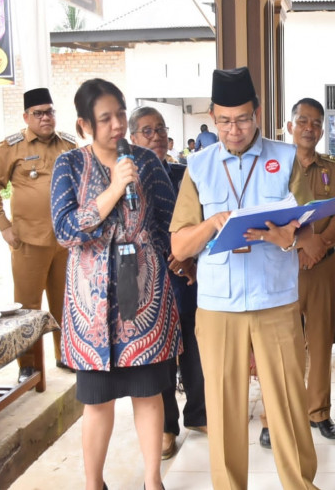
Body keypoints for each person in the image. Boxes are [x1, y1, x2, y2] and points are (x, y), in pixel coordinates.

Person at [169, 67, 318, 489]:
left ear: (258, 112)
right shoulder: (197, 166)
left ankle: (300, 484)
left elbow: (307, 231)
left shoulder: (285, 158)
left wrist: (286, 236)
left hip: (276, 301)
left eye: (243, 119)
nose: (234, 131)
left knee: (288, 404)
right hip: (218, 308)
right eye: (224, 121)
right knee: (224, 407)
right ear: (212, 117)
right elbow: (180, 247)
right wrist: (212, 224)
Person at [50, 79, 182, 490]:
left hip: (145, 299)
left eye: (121, 114)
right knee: (97, 400)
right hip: (92, 309)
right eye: (105, 118)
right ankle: (94, 483)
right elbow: (66, 231)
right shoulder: (69, 165)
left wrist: (170, 260)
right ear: (84, 123)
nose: (117, 125)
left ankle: (152, 480)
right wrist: (111, 190)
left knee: (149, 393)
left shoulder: (146, 161)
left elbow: (167, 221)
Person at [259, 97, 335, 448]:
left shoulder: (332, 167)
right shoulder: (274, 165)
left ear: (322, 129)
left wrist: (321, 244)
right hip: (284, 267)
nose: (310, 128)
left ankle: (319, 413)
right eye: (303, 121)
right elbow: (267, 216)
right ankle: (272, 418)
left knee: (321, 342)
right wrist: (300, 247)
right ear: (290, 125)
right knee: (281, 345)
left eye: (316, 123)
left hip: (322, 266)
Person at [128, 106, 206, 460]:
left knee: (193, 346)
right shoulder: (127, 179)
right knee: (159, 358)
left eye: (161, 129)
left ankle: (199, 414)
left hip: (187, 277)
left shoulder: (186, 173)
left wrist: (187, 256)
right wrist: (169, 255)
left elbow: (199, 220)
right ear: (132, 139)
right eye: (147, 131)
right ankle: (165, 428)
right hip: (150, 279)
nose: (156, 135)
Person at [0, 87, 76, 383]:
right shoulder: (11, 147)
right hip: (28, 241)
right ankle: (28, 367)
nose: (46, 118)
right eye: (39, 113)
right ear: (26, 116)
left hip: (64, 241)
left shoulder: (68, 144)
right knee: (27, 308)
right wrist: (4, 225)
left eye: (50, 111)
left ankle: (65, 355)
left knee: (64, 303)